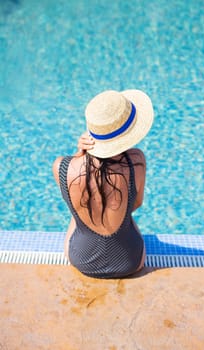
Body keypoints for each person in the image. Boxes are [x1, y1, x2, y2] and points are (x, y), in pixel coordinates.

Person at [53, 89, 154, 278]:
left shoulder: (62, 166)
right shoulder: (136, 161)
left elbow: (74, 198)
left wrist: (78, 154)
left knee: (77, 211)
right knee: (125, 214)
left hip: (81, 260)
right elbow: (136, 205)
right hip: (130, 261)